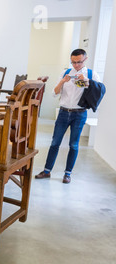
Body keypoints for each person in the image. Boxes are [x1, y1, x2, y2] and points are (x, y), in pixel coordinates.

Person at [35, 49, 102, 184]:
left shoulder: (91, 74)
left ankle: (67, 174)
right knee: (55, 143)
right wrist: (63, 82)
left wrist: (87, 81)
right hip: (63, 112)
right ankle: (47, 171)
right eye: (73, 62)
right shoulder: (65, 73)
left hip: (80, 113)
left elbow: (99, 91)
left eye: (79, 62)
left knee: (73, 145)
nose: (76, 65)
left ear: (85, 59)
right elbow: (54, 93)